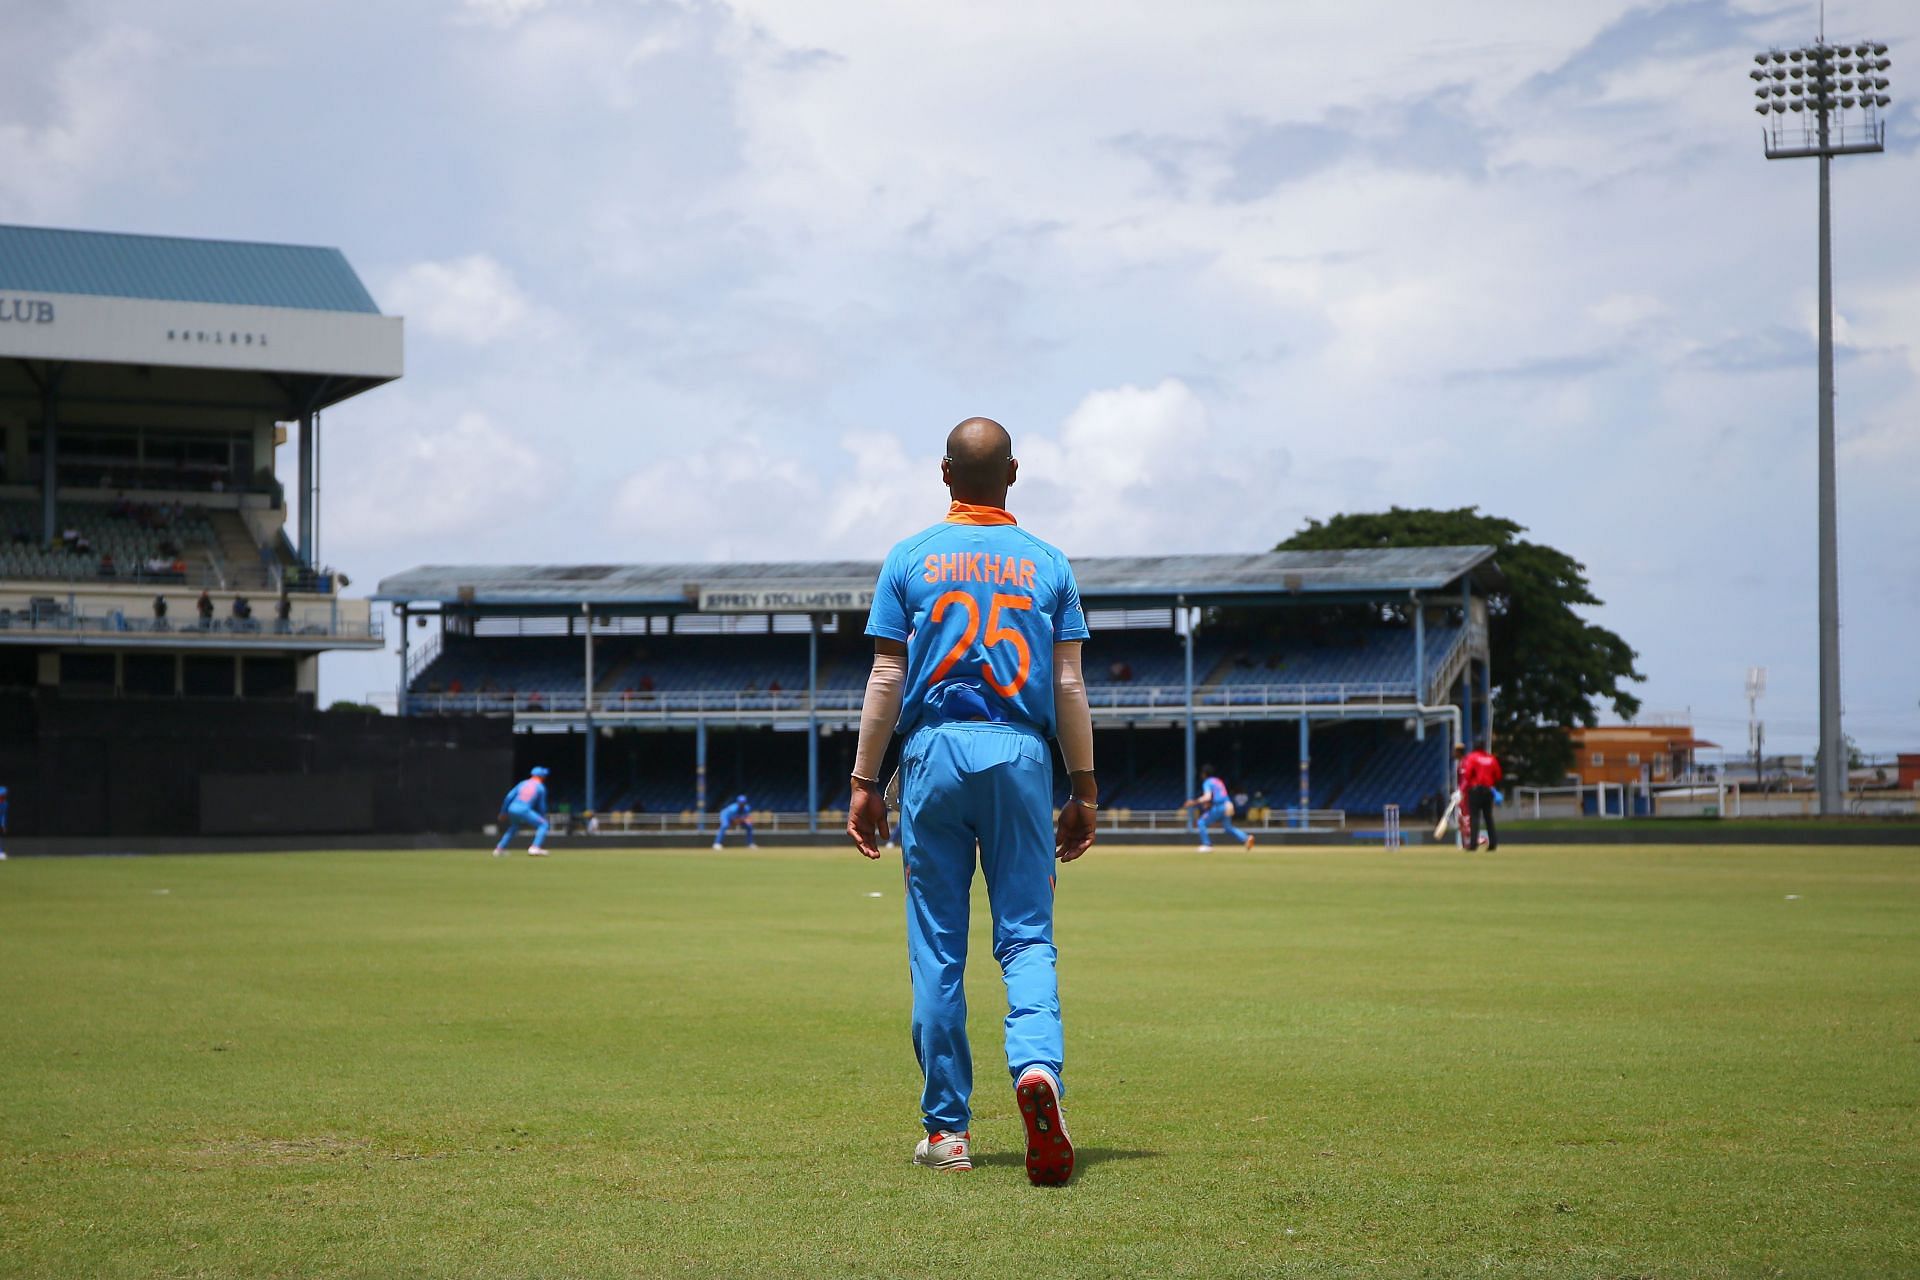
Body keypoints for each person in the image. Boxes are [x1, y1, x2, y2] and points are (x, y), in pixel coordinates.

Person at [845, 416, 1096, 1187]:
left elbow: (888, 678)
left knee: (939, 950)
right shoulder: (1049, 564)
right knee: (1026, 938)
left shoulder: (910, 558)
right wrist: (1082, 786)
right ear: (1013, 475)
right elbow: (1067, 686)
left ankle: (948, 1131)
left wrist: (863, 781)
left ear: (945, 475)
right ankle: (1037, 1072)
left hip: (931, 758)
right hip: (1020, 755)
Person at [1184, 766, 1255, 852]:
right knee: (1228, 828)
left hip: (1219, 806)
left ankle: (1207, 845)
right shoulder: (1218, 781)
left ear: (1204, 774)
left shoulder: (1207, 782)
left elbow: (1208, 796)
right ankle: (1246, 838)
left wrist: (1194, 802)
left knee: (1201, 822)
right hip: (1228, 805)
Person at [494, 766, 551, 857]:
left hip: (512, 808)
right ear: (541, 776)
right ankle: (535, 847)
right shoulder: (540, 787)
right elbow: (541, 806)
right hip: (523, 809)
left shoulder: (522, 783)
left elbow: (509, 797)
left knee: (514, 827)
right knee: (543, 824)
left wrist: (503, 812)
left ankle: (499, 849)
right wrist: (542, 816)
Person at [1462, 739, 1504, 851]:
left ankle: (1473, 844)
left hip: (1475, 790)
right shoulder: (1491, 758)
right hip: (1488, 791)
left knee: (1474, 818)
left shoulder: (1472, 757)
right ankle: (1493, 844)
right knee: (1488, 818)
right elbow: (1498, 775)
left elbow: (1467, 774)